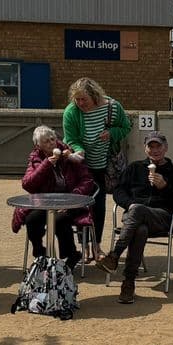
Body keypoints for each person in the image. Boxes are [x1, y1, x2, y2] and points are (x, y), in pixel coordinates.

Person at [97, 132, 173, 304]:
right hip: (134, 217)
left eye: (158, 146)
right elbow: (118, 191)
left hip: (161, 217)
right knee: (140, 229)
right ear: (145, 149)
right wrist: (129, 204)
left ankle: (115, 255)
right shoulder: (134, 168)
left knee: (138, 211)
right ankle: (128, 282)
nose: (155, 150)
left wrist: (165, 186)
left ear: (166, 148)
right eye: (150, 146)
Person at [62, 77, 131, 261]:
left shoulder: (113, 107)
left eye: (83, 99)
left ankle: (96, 245)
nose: (80, 103)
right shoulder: (71, 112)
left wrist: (112, 133)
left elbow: (126, 127)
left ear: (95, 96)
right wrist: (78, 150)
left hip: (103, 165)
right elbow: (71, 138)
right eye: (76, 99)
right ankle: (84, 246)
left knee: (98, 206)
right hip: (81, 166)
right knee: (81, 205)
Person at [11, 125, 95, 270]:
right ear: (38, 146)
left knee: (59, 220)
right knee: (31, 220)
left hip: (71, 202)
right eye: (46, 141)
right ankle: (40, 254)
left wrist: (73, 198)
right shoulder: (36, 158)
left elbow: (87, 180)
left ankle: (71, 254)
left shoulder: (69, 154)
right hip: (45, 203)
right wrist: (46, 165)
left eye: (53, 139)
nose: (51, 143)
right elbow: (27, 184)